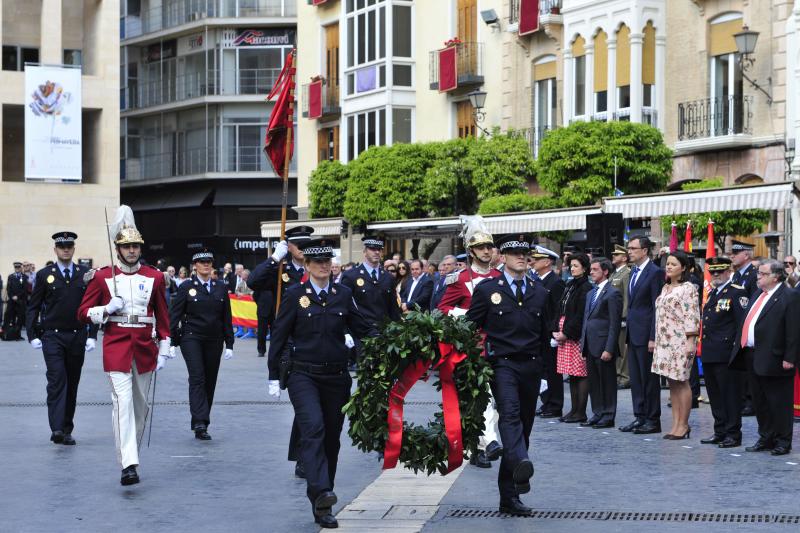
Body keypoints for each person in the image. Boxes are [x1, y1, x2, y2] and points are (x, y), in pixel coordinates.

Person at [267, 239, 376, 529]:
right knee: (313, 428)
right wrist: (273, 376)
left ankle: (323, 500)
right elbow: (279, 335)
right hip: (303, 375)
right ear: (307, 265)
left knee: (331, 437)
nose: (324, 266)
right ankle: (321, 491)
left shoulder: (342, 294)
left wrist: (396, 338)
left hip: (336, 377)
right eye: (318, 262)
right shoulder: (294, 295)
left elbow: (363, 328)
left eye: (328, 261)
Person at [77, 207, 171, 486]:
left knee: (140, 408)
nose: (131, 250)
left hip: (144, 346)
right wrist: (105, 309)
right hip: (116, 344)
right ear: (117, 248)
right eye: (126, 246)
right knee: (123, 403)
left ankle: (131, 454)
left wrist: (165, 347)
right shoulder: (102, 277)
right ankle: (129, 464)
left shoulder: (154, 277)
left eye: (135, 246)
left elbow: (163, 315)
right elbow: (82, 312)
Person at [466, 234, 551, 517]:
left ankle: (509, 494)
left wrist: (546, 375)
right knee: (510, 415)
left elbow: (545, 334)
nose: (521, 257)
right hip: (501, 364)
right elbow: (469, 326)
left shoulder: (540, 292)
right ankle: (521, 463)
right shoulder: (488, 289)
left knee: (524, 425)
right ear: (502, 257)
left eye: (525, 253)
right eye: (514, 253)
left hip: (531, 364)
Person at [248, 225, 314, 476]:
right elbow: (253, 282)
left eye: (307, 245)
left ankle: (304, 456)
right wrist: (274, 259)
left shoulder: (316, 269)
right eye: (299, 246)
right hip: (289, 343)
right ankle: (303, 455)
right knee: (303, 405)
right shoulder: (280, 272)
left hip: (314, 341)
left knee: (307, 407)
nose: (304, 250)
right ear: (289, 247)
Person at [26, 232, 98, 445]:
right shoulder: (44, 274)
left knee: (72, 382)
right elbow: (34, 307)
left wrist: (92, 335)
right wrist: (32, 335)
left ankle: (66, 428)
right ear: (55, 250)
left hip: (77, 335)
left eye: (69, 246)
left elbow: (93, 305)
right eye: (62, 246)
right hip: (53, 336)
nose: (66, 249)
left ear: (74, 249)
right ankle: (57, 428)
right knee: (57, 380)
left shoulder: (85, 274)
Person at [438, 230, 502, 468]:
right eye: (481, 247)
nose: (487, 251)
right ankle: (490, 442)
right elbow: (442, 309)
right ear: (472, 252)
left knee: (493, 399)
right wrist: (466, 315)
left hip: (497, 345)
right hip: (471, 347)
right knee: (479, 396)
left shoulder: (500, 276)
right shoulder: (459, 279)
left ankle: (478, 445)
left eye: (489, 247)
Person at [731, 260, 799, 456]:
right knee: (760, 401)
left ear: (775, 276)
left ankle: (782, 441)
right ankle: (766, 437)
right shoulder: (758, 294)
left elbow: (794, 330)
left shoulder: (789, 296)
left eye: (762, 273)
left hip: (776, 357)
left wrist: (790, 357)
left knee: (779, 401)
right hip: (753, 355)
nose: (757, 276)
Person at [169, 249, 234, 441]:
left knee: (210, 379)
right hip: (192, 337)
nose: (206, 264)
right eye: (202, 262)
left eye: (209, 261)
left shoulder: (220, 287)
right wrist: (172, 341)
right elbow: (175, 315)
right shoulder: (187, 287)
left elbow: (226, 317)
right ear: (194, 266)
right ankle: (199, 421)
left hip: (214, 339)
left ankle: (204, 420)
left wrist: (229, 343)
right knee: (197, 377)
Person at [699, 257, 748, 448]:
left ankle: (733, 434)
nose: (716, 275)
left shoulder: (736, 292)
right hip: (711, 352)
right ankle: (719, 430)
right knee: (715, 395)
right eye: (713, 272)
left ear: (729, 271)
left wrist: (736, 353)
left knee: (730, 396)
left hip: (727, 354)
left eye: (720, 272)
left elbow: (740, 324)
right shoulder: (713, 293)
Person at [651, 251, 700, 440]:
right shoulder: (665, 288)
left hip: (680, 341)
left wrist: (690, 341)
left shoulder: (688, 288)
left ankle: (683, 425)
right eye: (667, 264)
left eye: (673, 264)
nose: (669, 267)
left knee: (682, 381)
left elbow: (692, 316)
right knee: (672, 383)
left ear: (684, 268)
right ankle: (675, 423)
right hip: (664, 341)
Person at [619, 236, 664, 435]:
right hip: (634, 333)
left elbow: (656, 307)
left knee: (649, 380)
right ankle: (640, 416)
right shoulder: (633, 272)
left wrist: (653, 336)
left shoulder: (655, 273)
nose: (629, 251)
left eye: (633, 248)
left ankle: (652, 419)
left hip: (647, 335)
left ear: (645, 250)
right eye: (629, 248)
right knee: (636, 379)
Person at [580, 257, 623, 428]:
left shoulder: (613, 293)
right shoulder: (591, 293)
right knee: (594, 382)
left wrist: (609, 348)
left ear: (605, 271)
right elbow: (586, 319)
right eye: (591, 269)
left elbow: (614, 323)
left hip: (604, 345)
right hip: (590, 345)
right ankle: (597, 412)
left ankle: (608, 414)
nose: (591, 272)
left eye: (595, 269)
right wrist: (583, 344)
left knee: (607, 382)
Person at [553, 253, 593, 423]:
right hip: (564, 334)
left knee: (580, 372)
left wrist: (567, 332)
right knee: (571, 373)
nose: (572, 268)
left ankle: (580, 411)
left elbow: (579, 314)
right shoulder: (570, 284)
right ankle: (573, 409)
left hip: (574, 335)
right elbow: (561, 307)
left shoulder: (585, 287)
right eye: (571, 266)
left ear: (584, 268)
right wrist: (555, 329)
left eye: (576, 266)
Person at [530, 245, 565, 419]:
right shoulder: (536, 280)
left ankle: (555, 404)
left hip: (549, 332)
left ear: (547, 262)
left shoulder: (556, 281)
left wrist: (554, 331)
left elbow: (557, 309)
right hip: (538, 332)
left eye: (537, 259)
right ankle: (546, 401)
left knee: (553, 371)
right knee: (542, 370)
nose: (533, 262)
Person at [609, 245, 631, 389]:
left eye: (616, 255)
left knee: (623, 348)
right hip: (613, 316)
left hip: (621, 317)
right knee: (616, 346)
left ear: (624, 258)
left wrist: (624, 317)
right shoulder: (614, 274)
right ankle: (617, 375)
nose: (613, 257)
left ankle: (624, 377)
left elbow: (626, 298)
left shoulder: (626, 273)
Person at [3, 261, 29, 339]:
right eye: (16, 267)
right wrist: (12, 296)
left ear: (21, 268)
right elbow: (8, 288)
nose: (17, 269)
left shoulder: (25, 277)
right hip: (12, 300)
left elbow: (25, 289)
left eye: (18, 267)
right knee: (10, 316)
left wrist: (17, 296)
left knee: (20, 318)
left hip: (20, 300)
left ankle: (18, 334)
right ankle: (9, 333)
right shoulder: (11, 276)